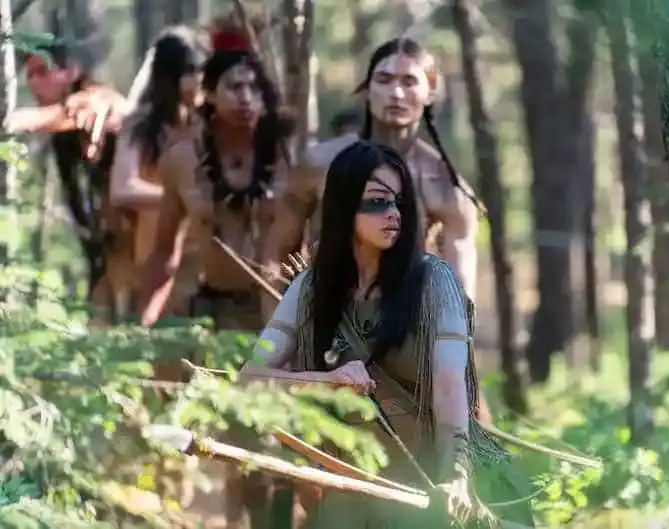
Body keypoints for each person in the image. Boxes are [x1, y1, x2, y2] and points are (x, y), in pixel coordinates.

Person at [241, 140, 532, 529]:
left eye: (399, 202)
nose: (393, 213)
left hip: (439, 487)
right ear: (344, 206)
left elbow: (449, 386)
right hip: (356, 490)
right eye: (377, 202)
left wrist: (456, 477)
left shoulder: (435, 282)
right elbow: (250, 379)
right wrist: (326, 381)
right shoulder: (309, 289)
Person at [263, 37, 494, 424]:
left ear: (431, 90)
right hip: (321, 328)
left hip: (402, 341)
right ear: (366, 89)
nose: (396, 93)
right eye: (384, 80)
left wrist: (455, 375)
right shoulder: (319, 164)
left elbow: (459, 296)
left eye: (409, 81)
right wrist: (282, 335)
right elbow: (274, 255)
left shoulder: (447, 187)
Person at [136, 12, 294, 529]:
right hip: (215, 313)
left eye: (254, 87)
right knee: (231, 441)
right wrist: (143, 324)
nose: (246, 97)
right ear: (208, 93)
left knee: (272, 449)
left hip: (282, 315)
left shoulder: (293, 157)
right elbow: (163, 251)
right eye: (234, 87)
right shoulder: (182, 160)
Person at [7, 40, 129, 324]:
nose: (33, 82)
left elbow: (77, 110)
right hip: (105, 240)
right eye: (30, 74)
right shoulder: (64, 135)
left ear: (70, 71)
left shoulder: (97, 99)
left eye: (42, 71)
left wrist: (14, 121)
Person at [110, 25, 208, 333]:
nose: (200, 80)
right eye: (191, 71)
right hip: (157, 263)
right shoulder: (141, 124)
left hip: (208, 265)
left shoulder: (211, 124)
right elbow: (122, 188)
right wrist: (179, 199)